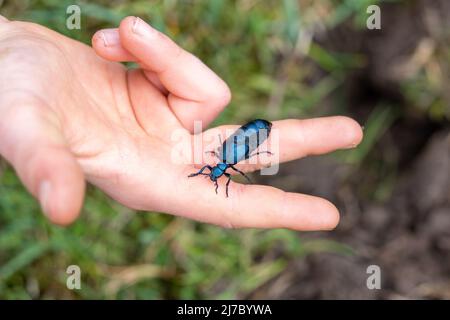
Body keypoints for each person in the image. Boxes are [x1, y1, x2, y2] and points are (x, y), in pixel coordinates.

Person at [0, 15, 363, 230]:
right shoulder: (226, 159)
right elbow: (239, 148)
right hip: (254, 132)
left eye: (217, 173)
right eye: (218, 174)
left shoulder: (224, 157)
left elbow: (237, 147)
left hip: (254, 132)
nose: (217, 173)